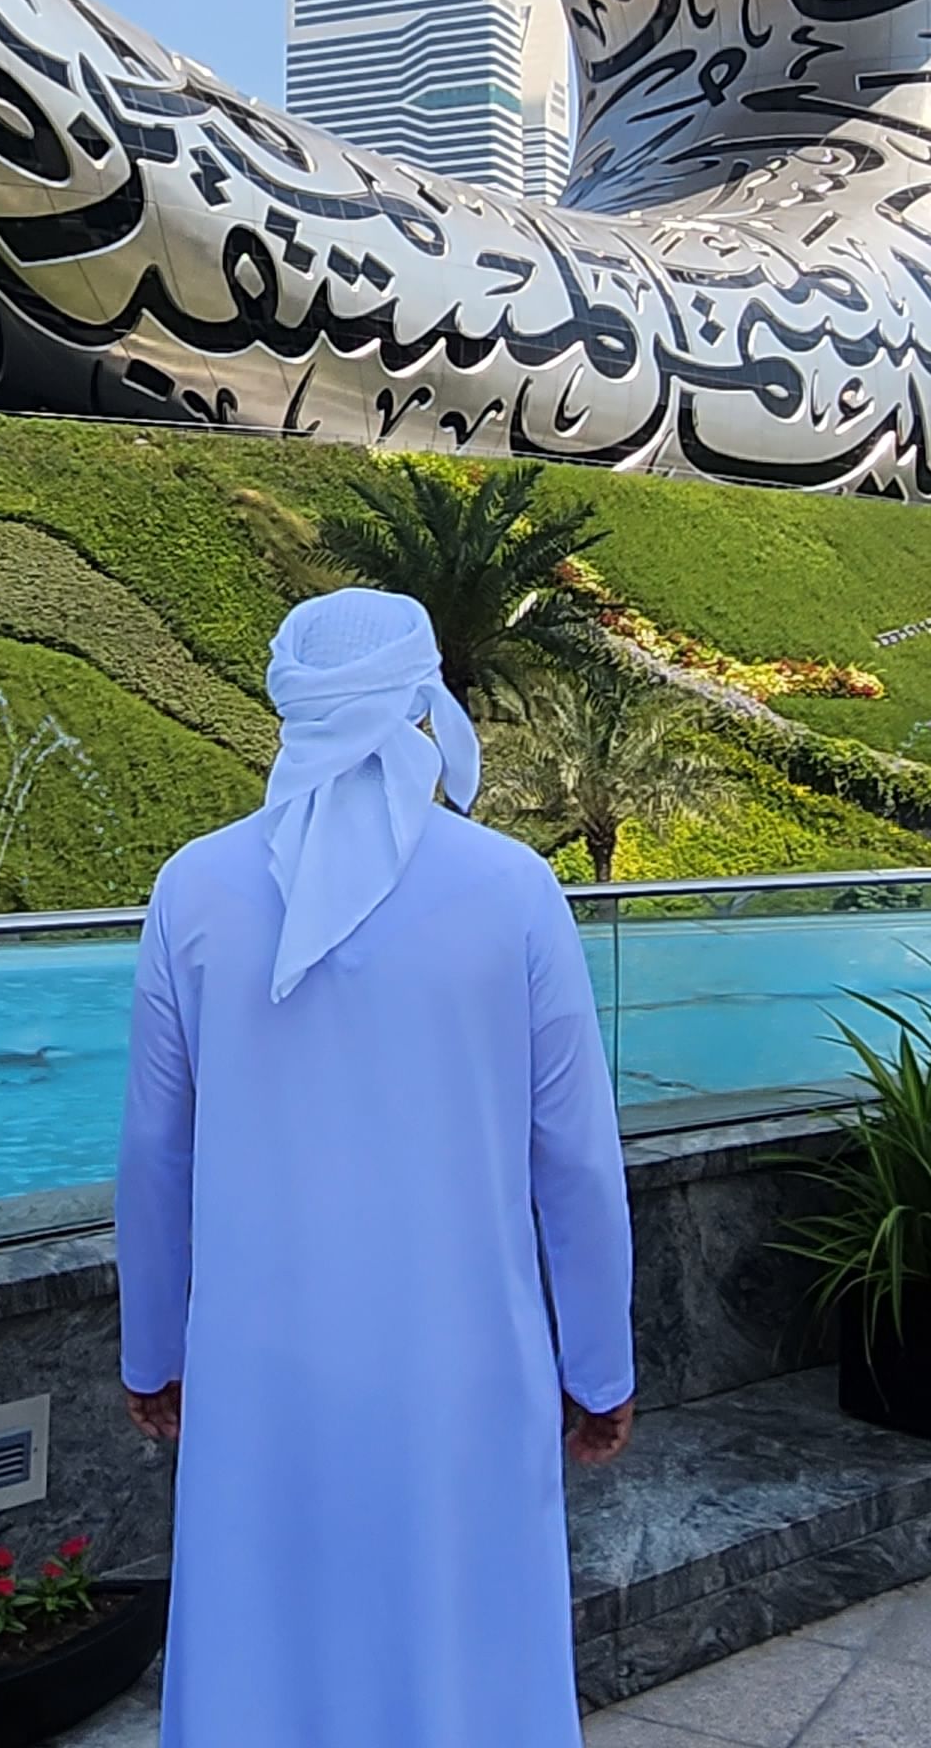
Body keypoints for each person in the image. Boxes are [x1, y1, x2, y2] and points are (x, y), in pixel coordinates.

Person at [115, 585, 635, 1747]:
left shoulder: (193, 888)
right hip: (466, 1370)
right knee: (459, 1644)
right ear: (418, 699)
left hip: (256, 1373)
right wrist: (597, 1365)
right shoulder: (512, 890)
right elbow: (574, 1160)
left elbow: (155, 1150)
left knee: (266, 1645)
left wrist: (152, 1349)